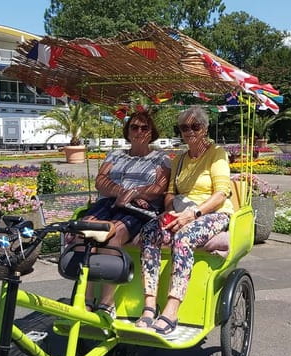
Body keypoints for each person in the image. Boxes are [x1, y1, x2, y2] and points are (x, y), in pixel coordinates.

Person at [136, 106, 234, 338]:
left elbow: (221, 193)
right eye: (184, 127)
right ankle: (150, 305)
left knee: (184, 237)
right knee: (150, 231)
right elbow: (170, 193)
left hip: (213, 213)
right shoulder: (179, 159)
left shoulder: (216, 154)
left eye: (195, 126)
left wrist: (194, 214)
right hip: (182, 212)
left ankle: (172, 309)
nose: (190, 131)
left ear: (205, 128)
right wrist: (169, 213)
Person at [72, 110, 170, 318]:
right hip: (110, 202)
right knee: (85, 230)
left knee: (112, 235)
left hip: (139, 208)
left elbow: (159, 188)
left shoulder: (160, 158)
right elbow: (101, 181)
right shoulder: (115, 155)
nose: (139, 132)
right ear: (128, 131)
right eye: (134, 127)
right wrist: (120, 192)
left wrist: (133, 195)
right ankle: (86, 299)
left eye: (144, 128)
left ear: (152, 132)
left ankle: (107, 303)